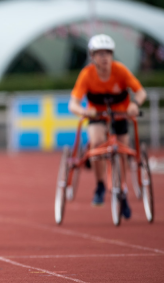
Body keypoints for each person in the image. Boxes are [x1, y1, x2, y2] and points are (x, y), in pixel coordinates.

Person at [68, 34, 147, 218]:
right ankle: (101, 185)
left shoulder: (120, 71)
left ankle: (122, 189)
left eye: (108, 53)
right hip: (97, 114)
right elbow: (73, 104)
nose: (104, 57)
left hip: (120, 114)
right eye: (99, 53)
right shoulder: (86, 75)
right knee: (97, 144)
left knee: (123, 151)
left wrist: (135, 104)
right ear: (92, 56)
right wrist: (84, 111)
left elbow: (141, 92)